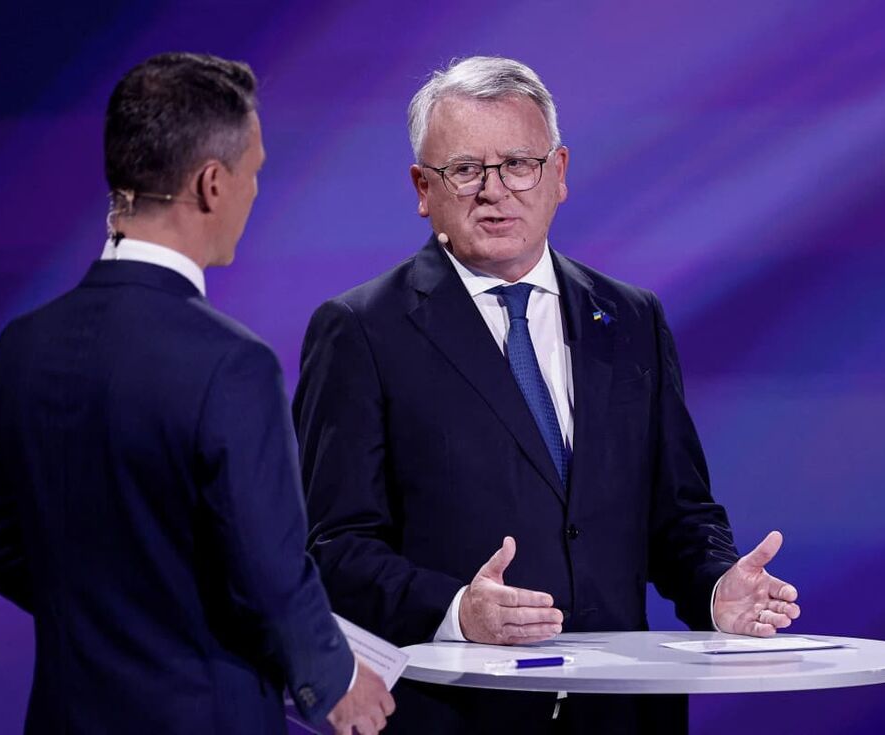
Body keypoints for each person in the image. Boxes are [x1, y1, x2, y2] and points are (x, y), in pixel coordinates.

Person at [293, 56, 799, 734]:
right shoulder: (361, 330)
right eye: (465, 169)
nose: (493, 191)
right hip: (456, 717)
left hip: (620, 717)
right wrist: (455, 610)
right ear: (422, 187)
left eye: (518, 164)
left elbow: (678, 515)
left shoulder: (632, 319)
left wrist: (715, 587)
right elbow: (333, 548)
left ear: (559, 172)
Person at [0, 52, 394, 735]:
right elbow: (270, 574)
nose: (256, 192)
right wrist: (338, 678)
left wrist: (114, 621)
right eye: (253, 173)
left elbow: (2, 551)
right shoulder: (233, 365)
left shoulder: (22, 346)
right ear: (210, 183)